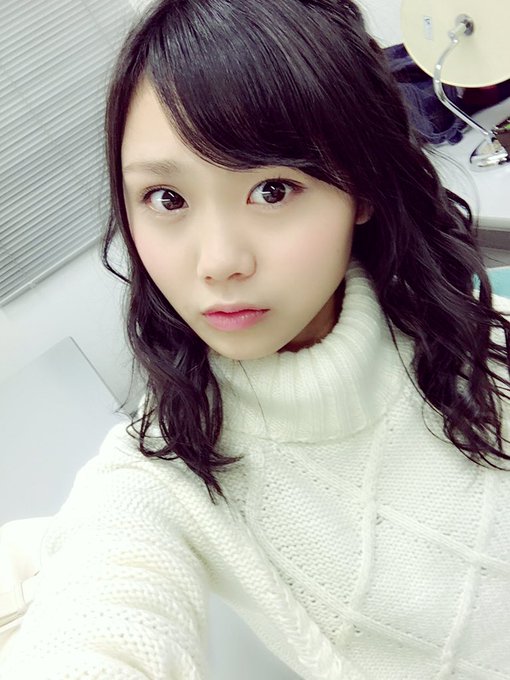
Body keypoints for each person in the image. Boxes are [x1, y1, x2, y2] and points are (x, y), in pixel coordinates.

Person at [1, 0, 510, 678]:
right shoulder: (163, 473)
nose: (218, 262)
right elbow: (102, 621)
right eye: (167, 199)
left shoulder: (469, 328)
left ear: (360, 188)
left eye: (272, 189)